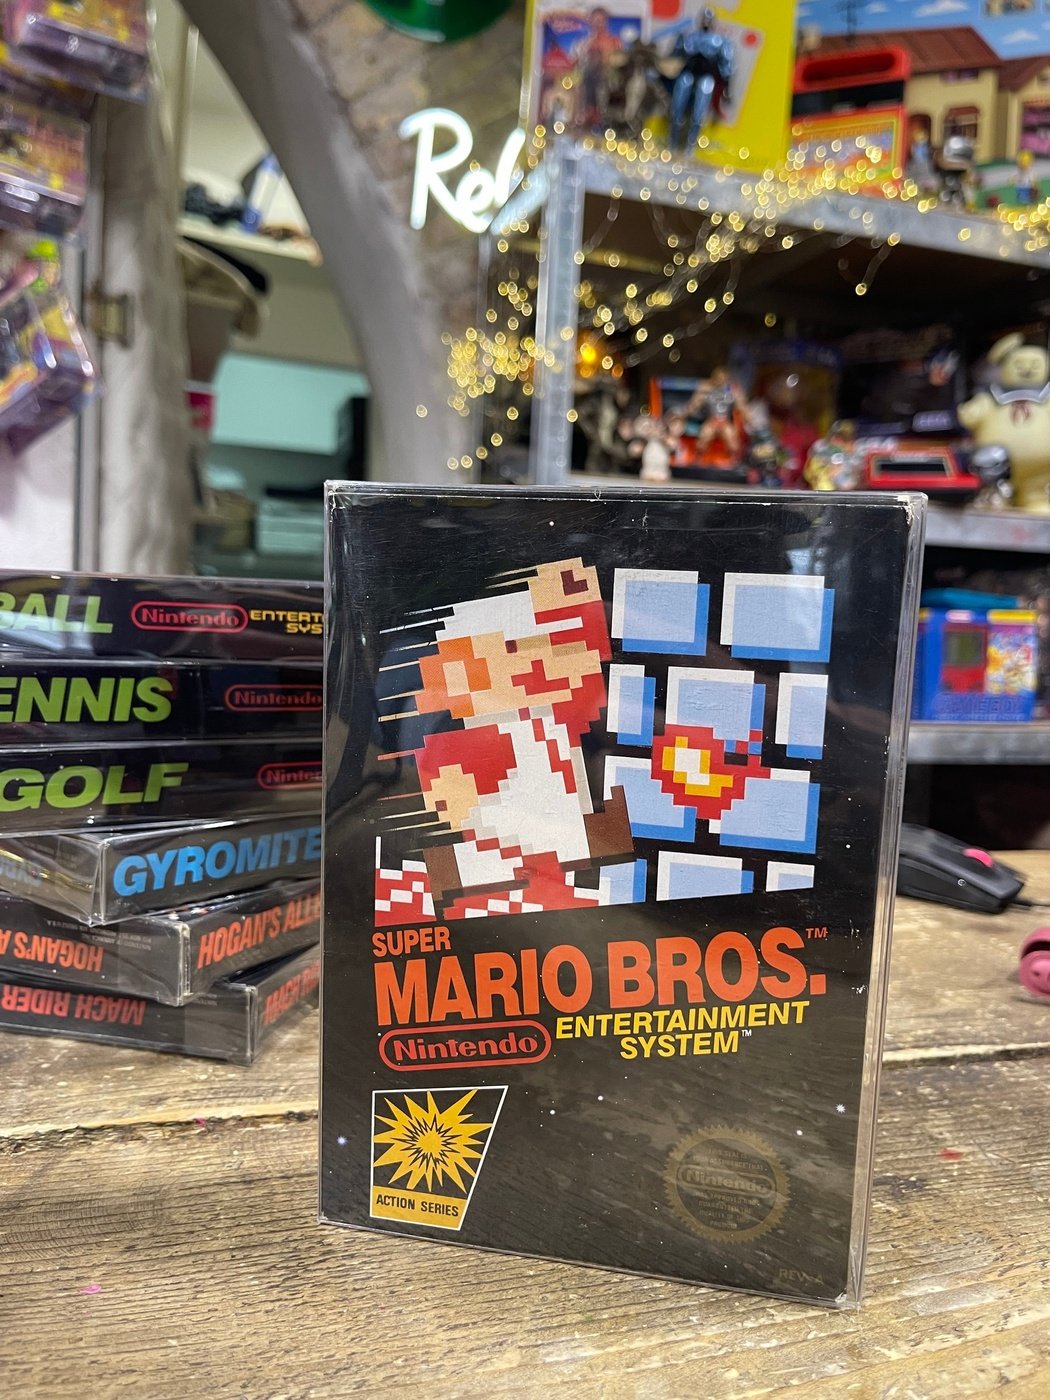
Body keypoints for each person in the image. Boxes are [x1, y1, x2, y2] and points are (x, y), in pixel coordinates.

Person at [667, 7, 733, 152]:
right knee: (676, 110)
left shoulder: (718, 41)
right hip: (687, 74)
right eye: (704, 19)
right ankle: (672, 144)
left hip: (706, 77)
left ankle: (689, 148)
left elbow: (725, 65)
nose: (706, 22)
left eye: (709, 20)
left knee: (699, 115)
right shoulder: (689, 37)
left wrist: (727, 87)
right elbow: (674, 57)